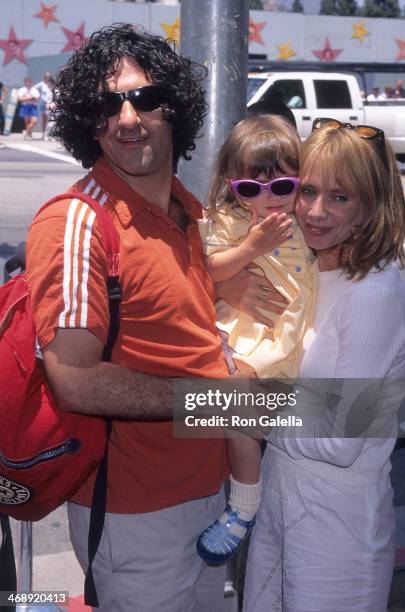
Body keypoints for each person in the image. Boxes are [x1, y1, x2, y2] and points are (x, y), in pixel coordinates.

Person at [25, 24, 229, 612]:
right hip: (134, 515)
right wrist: (219, 402)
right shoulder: (79, 221)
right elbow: (75, 377)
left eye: (143, 97)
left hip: (210, 494)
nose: (127, 118)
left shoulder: (188, 210)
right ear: (87, 124)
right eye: (104, 105)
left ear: (176, 108)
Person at [218, 118, 405, 611]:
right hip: (281, 498)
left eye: (340, 197)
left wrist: (216, 406)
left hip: (338, 523)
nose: (314, 211)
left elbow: (340, 438)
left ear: (371, 207)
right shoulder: (305, 270)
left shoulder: (375, 295)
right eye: (306, 190)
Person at [196, 114, 317, 564]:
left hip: (294, 348)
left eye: (281, 187)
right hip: (244, 343)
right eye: (251, 189)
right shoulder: (228, 222)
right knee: (238, 413)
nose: (267, 200)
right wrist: (250, 247)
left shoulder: (306, 218)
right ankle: (243, 509)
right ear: (233, 186)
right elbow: (208, 271)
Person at [35, 72, 55, 140]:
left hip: (51, 103)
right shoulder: (42, 84)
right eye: (46, 77)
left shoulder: (52, 84)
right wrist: (38, 95)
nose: (47, 78)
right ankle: (43, 134)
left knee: (49, 119)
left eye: (48, 77)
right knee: (44, 119)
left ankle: (48, 134)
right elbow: (34, 88)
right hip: (43, 102)